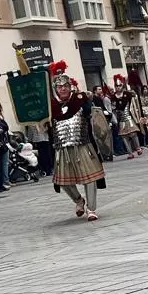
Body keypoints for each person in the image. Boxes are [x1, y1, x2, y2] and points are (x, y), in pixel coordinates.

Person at [47, 62, 105, 221]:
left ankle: (91, 209)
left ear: (70, 86)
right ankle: (79, 201)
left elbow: (91, 115)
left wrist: (88, 99)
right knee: (63, 181)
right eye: (59, 87)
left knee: (90, 178)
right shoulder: (50, 106)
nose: (63, 89)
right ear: (56, 89)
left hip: (82, 145)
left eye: (65, 85)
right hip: (62, 148)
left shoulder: (80, 100)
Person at [110, 76, 145, 156]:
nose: (118, 87)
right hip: (120, 119)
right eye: (116, 86)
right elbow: (113, 108)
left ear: (122, 86)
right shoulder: (113, 97)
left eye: (119, 86)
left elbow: (135, 101)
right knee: (124, 136)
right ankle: (130, 152)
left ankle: (138, 148)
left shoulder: (127, 94)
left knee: (133, 133)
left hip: (129, 116)